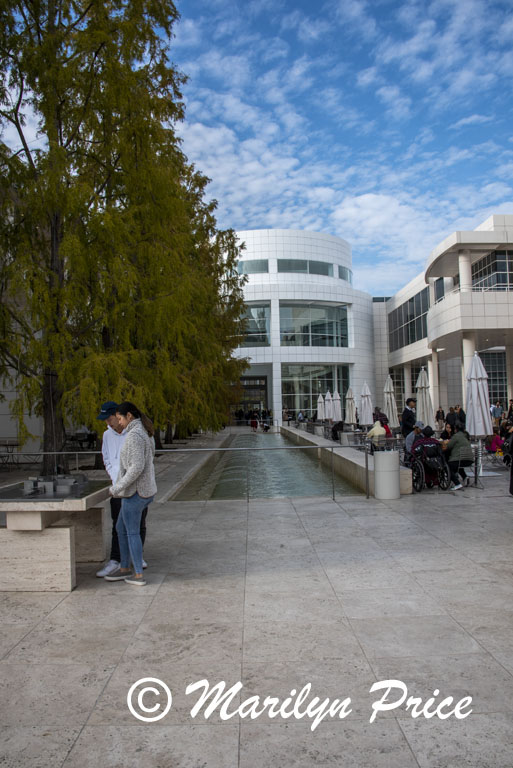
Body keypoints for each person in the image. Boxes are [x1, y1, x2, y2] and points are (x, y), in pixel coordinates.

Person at [105, 402, 157, 586]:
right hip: (142, 490)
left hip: (135, 492)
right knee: (121, 528)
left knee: (131, 531)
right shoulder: (143, 432)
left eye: (119, 418)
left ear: (129, 416)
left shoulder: (135, 435)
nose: (118, 422)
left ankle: (137, 574)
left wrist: (117, 487)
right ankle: (124, 567)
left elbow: (136, 468)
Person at [95, 401, 148, 578]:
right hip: (119, 488)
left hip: (134, 488)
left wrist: (126, 481)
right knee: (119, 525)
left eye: (113, 418)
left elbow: (138, 464)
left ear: (123, 417)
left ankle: (135, 563)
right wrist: (115, 479)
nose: (109, 423)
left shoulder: (134, 434)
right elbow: (107, 458)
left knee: (136, 524)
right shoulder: (107, 435)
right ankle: (118, 560)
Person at [442, 423, 474, 490]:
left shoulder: (456, 436)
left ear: (456, 429)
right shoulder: (466, 436)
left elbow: (449, 446)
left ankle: (457, 483)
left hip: (460, 459)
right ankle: (465, 477)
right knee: (457, 464)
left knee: (447, 466)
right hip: (470, 459)